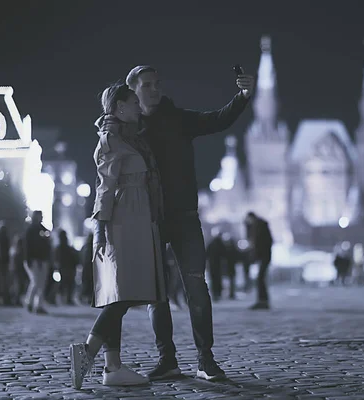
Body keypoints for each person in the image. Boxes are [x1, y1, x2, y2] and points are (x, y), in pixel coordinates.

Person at [125, 65, 254, 381]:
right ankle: (167, 359)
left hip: (184, 215)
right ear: (134, 91)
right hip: (151, 218)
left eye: (157, 83)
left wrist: (243, 95)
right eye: (147, 85)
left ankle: (205, 359)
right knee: (156, 294)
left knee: (196, 286)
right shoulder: (128, 127)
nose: (154, 89)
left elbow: (217, 119)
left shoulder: (177, 118)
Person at [69, 83, 167, 389]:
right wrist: (100, 227)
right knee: (126, 292)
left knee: (122, 292)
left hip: (137, 218)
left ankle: (112, 367)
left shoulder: (129, 138)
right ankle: (87, 353)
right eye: (134, 103)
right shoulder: (112, 139)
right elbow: (105, 186)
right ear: (120, 107)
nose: (139, 107)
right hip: (124, 220)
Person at [23, 210, 52, 314]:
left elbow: (47, 246)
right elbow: (27, 246)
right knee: (36, 282)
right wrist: (28, 259)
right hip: (34, 259)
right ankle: (30, 303)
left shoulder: (43, 230)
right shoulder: (30, 230)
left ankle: (37, 305)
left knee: (41, 283)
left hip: (42, 259)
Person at [244, 212, 273, 310]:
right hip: (264, 256)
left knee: (260, 278)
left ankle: (263, 301)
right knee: (260, 278)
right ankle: (262, 300)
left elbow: (256, 242)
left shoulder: (258, 226)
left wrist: (256, 256)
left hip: (263, 256)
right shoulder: (260, 225)